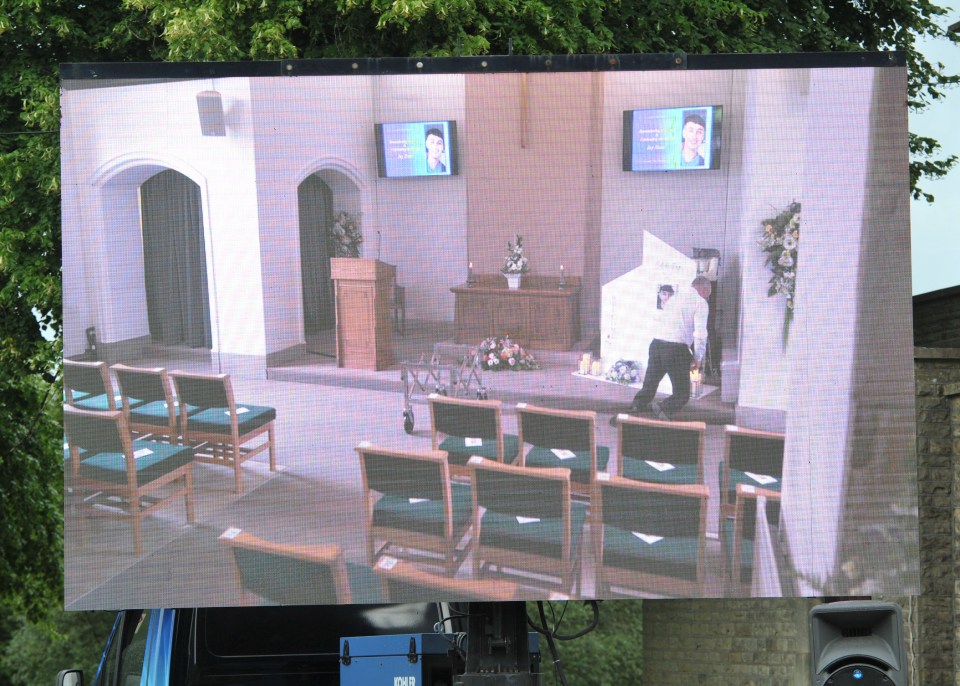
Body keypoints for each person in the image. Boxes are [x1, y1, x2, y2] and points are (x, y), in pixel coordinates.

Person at [629, 275, 712, 420]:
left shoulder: (674, 298)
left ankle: (636, 406)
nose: (707, 298)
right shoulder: (700, 303)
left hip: (656, 345)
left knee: (649, 385)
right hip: (676, 350)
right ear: (704, 290)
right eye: (708, 295)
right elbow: (700, 334)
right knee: (682, 394)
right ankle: (663, 408)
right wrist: (698, 358)